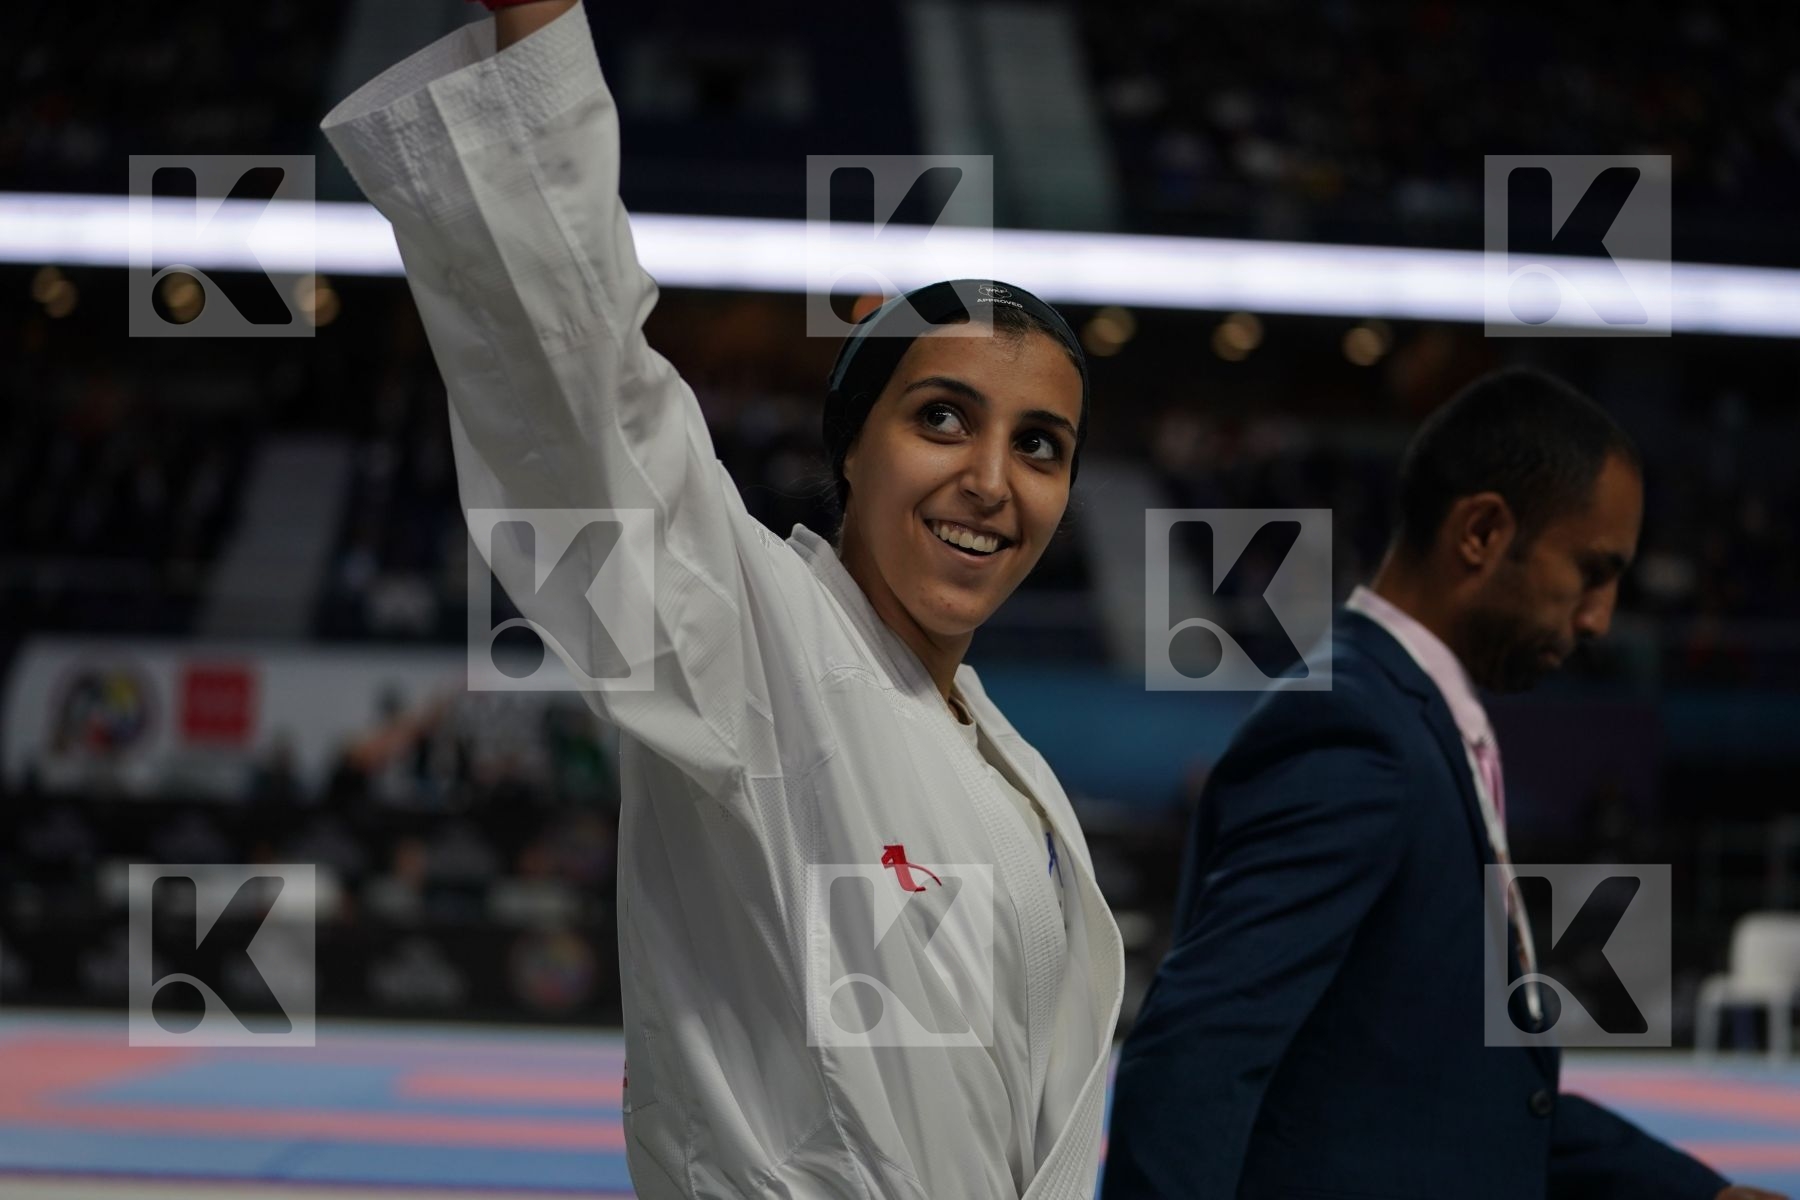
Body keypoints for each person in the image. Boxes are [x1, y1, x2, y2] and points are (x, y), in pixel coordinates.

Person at [319, 2, 1123, 1196]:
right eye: (942, 418)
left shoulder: (1004, 766)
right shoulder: (754, 644)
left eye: (1042, 444)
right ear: (854, 449)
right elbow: (590, 389)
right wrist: (532, 31)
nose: (992, 482)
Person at [1102, 369, 1787, 1200]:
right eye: (1591, 570)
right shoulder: (1355, 733)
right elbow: (1194, 1059)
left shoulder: (1415, 724)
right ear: (1483, 532)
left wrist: (1696, 1194)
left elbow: (1461, 1095)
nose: (1600, 617)